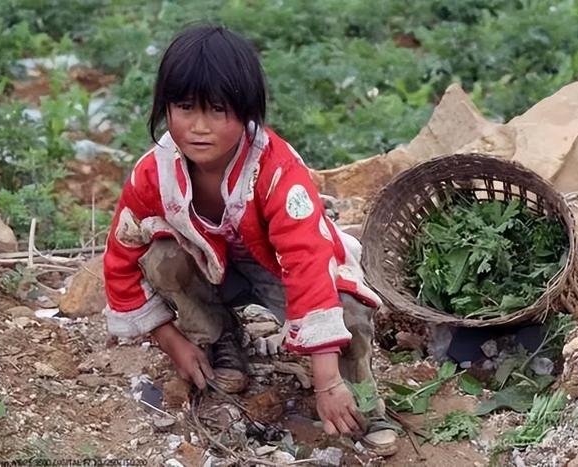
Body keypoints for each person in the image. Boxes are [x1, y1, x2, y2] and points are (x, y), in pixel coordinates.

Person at [102, 25, 397, 455]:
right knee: (162, 257)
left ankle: (363, 400)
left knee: (346, 308)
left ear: (246, 113)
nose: (199, 127)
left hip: (278, 270)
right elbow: (121, 255)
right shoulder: (154, 173)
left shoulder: (276, 170)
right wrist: (172, 340)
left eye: (218, 110)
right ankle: (218, 337)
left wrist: (325, 379)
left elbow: (306, 261)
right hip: (213, 270)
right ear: (165, 106)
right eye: (185, 107)